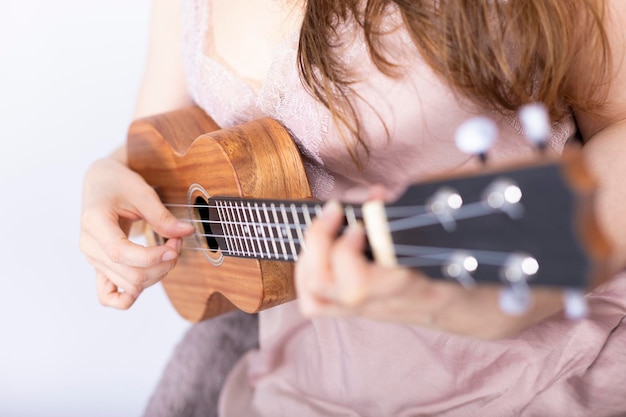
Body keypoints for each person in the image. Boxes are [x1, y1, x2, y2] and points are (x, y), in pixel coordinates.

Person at [80, 0, 626, 415]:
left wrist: (501, 301)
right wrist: (110, 179)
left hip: (542, 371)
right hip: (299, 380)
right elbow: (163, 147)